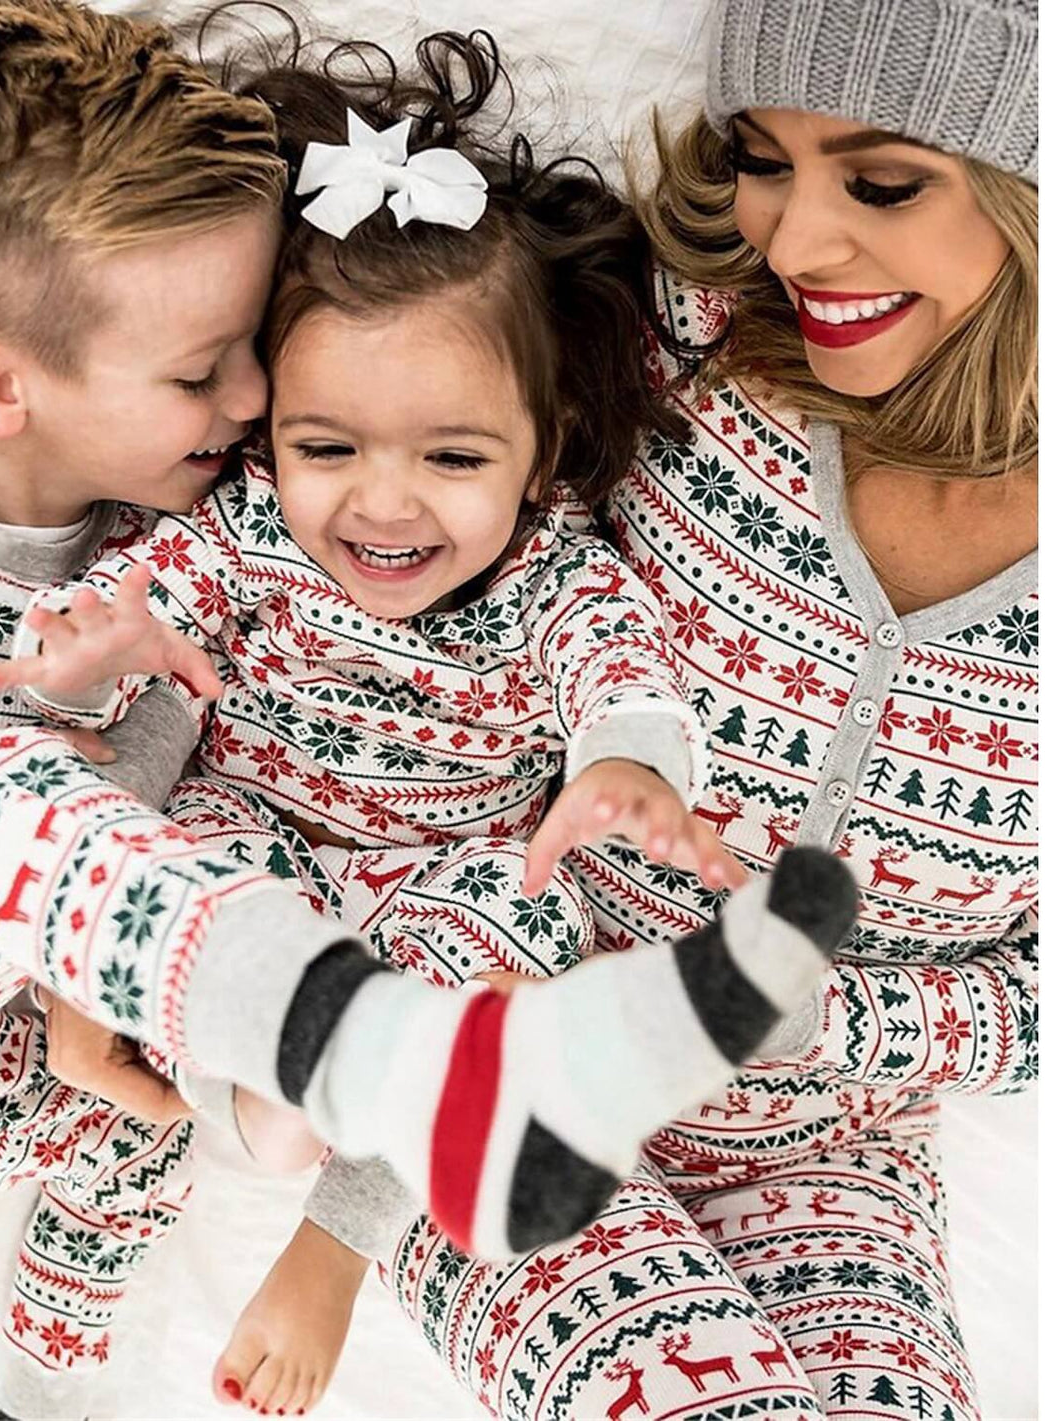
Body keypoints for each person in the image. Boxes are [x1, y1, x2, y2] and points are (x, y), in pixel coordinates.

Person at [0, 8, 856, 1414]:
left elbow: (616, 668)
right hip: (252, 835)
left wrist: (628, 766)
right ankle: (43, 1364)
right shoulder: (248, 524)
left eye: (452, 455)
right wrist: (108, 656)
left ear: (541, 449)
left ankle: (332, 1230)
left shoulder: (551, 568)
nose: (382, 505)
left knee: (510, 924)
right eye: (326, 446)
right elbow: (136, 675)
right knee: (120, 1093)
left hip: (435, 878)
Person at [290, 1, 1030, 1417]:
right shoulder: (674, 340)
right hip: (509, 1037)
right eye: (762, 158)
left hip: (830, 1155)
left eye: (882, 181)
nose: (796, 243)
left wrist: (826, 1030)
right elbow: (318, 446)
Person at [0, 1, 287, 1413]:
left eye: (253, 338)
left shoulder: (206, 546)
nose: (255, 393)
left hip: (78, 1041)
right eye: (199, 369)